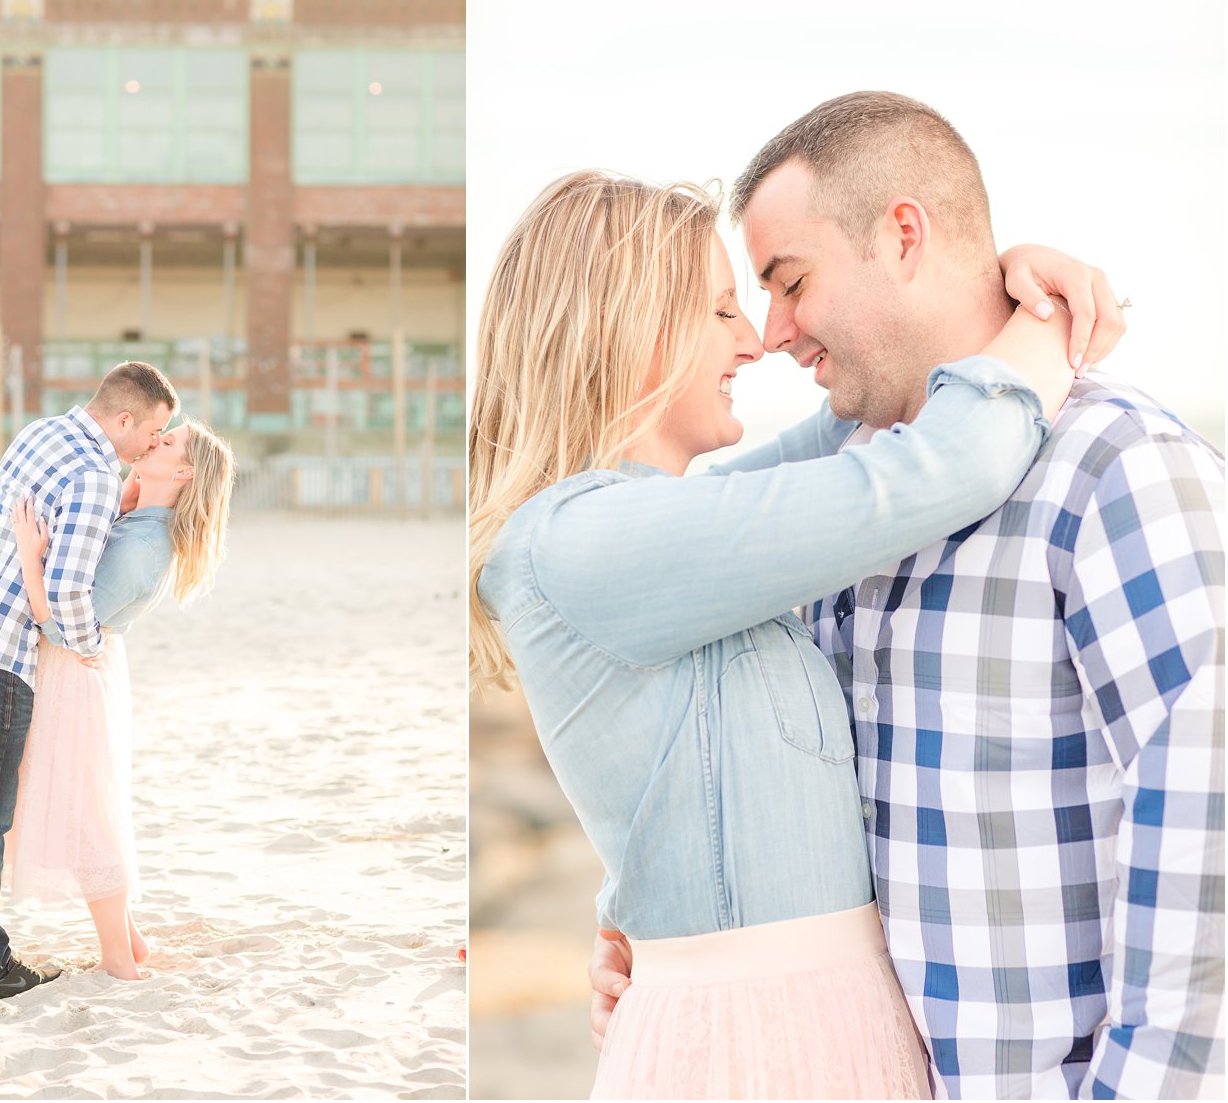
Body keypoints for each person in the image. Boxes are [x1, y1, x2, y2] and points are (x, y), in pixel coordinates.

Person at [588, 92, 1225, 1099]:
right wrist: (654, 927)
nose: (772, 331)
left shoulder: (1116, 473)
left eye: (788, 282)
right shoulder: (834, 507)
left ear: (900, 235)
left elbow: (1204, 840)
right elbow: (752, 771)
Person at [469, 167, 1108, 1097]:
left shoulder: (669, 522)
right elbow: (939, 466)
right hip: (747, 1048)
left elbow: (856, 419)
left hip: (814, 1027)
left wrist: (984, 284)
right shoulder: (583, 542)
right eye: (721, 309)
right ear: (625, 329)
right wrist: (1047, 318)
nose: (757, 339)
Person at [0, 361, 176, 1000]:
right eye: (153, 431)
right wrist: (91, 646)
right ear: (124, 420)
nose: (152, 443)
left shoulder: (39, 433)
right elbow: (65, 601)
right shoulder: (94, 477)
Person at [4, 419, 235, 981]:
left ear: (182, 472)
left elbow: (64, 630)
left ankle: (118, 960)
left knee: (86, 813)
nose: (156, 440)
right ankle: (129, 941)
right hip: (80, 672)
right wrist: (126, 500)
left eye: (170, 440)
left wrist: (29, 557)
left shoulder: (144, 545)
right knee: (83, 805)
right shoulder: (139, 522)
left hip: (73, 677)